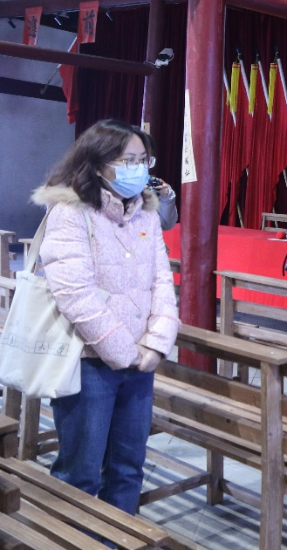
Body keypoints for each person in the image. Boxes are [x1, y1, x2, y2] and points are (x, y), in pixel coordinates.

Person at [32, 119, 179, 514]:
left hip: (141, 363)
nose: (138, 168)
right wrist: (125, 352)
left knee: (128, 469)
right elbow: (74, 293)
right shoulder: (71, 211)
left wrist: (155, 344)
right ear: (98, 164)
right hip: (88, 363)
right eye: (128, 160)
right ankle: (71, 539)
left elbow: (162, 281)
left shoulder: (146, 214)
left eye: (143, 160)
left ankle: (118, 539)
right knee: (80, 473)